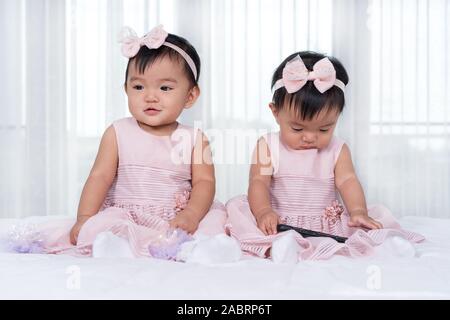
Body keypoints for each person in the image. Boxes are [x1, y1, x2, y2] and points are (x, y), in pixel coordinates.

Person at [44, 25, 228, 258]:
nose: (150, 96)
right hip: (128, 214)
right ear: (126, 89)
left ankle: (205, 249)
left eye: (165, 87)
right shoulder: (118, 132)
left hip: (176, 219)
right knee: (110, 224)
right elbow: (99, 177)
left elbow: (204, 182)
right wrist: (85, 219)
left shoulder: (194, 139)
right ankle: (114, 245)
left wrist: (191, 214)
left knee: (215, 218)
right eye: (138, 86)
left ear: (190, 95)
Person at [226, 51, 424, 261]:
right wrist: (264, 211)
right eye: (297, 128)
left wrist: (358, 210)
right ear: (275, 113)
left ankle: (386, 248)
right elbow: (259, 182)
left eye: (324, 129)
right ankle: (282, 247)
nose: (310, 137)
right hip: (279, 220)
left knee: (365, 230)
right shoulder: (268, 145)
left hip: (323, 222)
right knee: (245, 220)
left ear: (337, 118)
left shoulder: (338, 149)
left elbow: (348, 181)